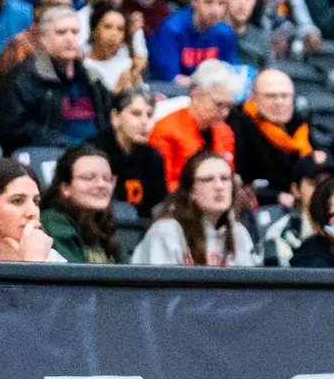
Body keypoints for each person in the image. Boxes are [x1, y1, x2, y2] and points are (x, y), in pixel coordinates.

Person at [0, 6, 111, 153]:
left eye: (75, 32)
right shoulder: (21, 79)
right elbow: (14, 129)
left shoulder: (91, 77)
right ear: (43, 38)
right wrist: (70, 146)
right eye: (61, 32)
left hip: (98, 153)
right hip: (52, 154)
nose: (70, 38)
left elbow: (108, 118)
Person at [133, 150, 255, 266]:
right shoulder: (167, 232)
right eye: (208, 179)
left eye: (225, 179)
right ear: (191, 191)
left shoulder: (239, 234)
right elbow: (157, 281)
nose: (219, 186)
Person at [149, 60, 239, 190]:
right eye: (219, 104)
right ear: (194, 95)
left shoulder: (225, 132)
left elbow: (228, 176)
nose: (225, 113)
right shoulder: (164, 131)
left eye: (228, 106)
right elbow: (163, 185)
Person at [232, 68, 317, 200]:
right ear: (253, 98)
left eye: (285, 96)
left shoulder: (300, 127)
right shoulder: (239, 125)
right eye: (270, 96)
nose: (279, 102)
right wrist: (275, 196)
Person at [92, 87, 168, 217]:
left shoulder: (153, 158)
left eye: (149, 115)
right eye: (136, 114)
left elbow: (159, 204)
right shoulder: (94, 154)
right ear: (115, 117)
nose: (145, 122)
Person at [40, 145, 123, 263]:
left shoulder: (104, 224)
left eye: (107, 178)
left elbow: (128, 272)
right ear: (65, 188)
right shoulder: (53, 221)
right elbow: (73, 272)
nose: (102, 185)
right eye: (89, 178)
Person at [148, 0, 238, 84]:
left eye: (221, 3)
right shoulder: (172, 29)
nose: (215, 10)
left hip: (206, 88)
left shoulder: (225, 32)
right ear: (194, 1)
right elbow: (171, 79)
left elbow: (230, 73)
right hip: (168, 89)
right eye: (208, 2)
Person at [81, 5, 143, 93]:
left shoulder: (127, 66)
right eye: (108, 27)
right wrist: (117, 90)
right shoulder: (82, 67)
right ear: (94, 31)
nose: (114, 34)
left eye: (120, 29)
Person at [222, 0, 273, 71]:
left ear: (255, 1)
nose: (242, 3)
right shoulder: (210, 33)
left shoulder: (261, 38)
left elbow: (269, 74)